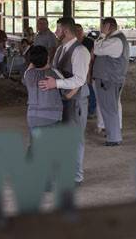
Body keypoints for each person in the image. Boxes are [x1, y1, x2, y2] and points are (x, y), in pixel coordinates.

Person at [39, 17, 90, 185]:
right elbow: (56, 70)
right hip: (62, 99)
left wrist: (56, 83)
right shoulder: (61, 49)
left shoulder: (80, 51)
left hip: (76, 100)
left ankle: (76, 176)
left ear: (66, 31)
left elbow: (80, 79)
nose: (56, 32)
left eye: (58, 29)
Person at [93, 18, 130, 147]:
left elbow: (97, 49)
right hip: (110, 78)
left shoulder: (115, 40)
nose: (100, 29)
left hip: (108, 79)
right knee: (110, 107)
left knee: (109, 108)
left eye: (102, 26)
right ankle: (113, 135)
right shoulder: (116, 39)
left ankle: (113, 138)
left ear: (108, 26)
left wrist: (102, 35)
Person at [76, 23, 96, 117]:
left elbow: (92, 58)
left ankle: (91, 109)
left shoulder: (89, 42)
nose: (79, 32)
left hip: (87, 67)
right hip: (75, 69)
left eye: (80, 30)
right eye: (76, 30)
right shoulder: (73, 42)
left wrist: (90, 72)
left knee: (89, 88)